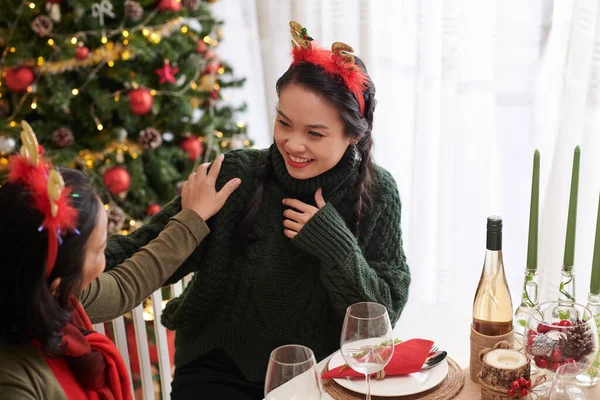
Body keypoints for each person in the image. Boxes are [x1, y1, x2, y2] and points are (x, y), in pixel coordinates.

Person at [105, 21, 411, 400]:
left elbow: (381, 319)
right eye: (284, 123)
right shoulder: (237, 175)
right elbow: (145, 246)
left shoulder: (379, 194)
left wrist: (335, 245)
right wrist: (60, 265)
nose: (293, 144)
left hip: (321, 375)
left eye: (314, 133)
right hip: (217, 369)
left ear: (354, 134)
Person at [0, 122, 240, 399]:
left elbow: (126, 285)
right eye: (102, 248)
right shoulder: (12, 382)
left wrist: (193, 218)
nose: (108, 254)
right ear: (57, 280)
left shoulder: (38, 290)